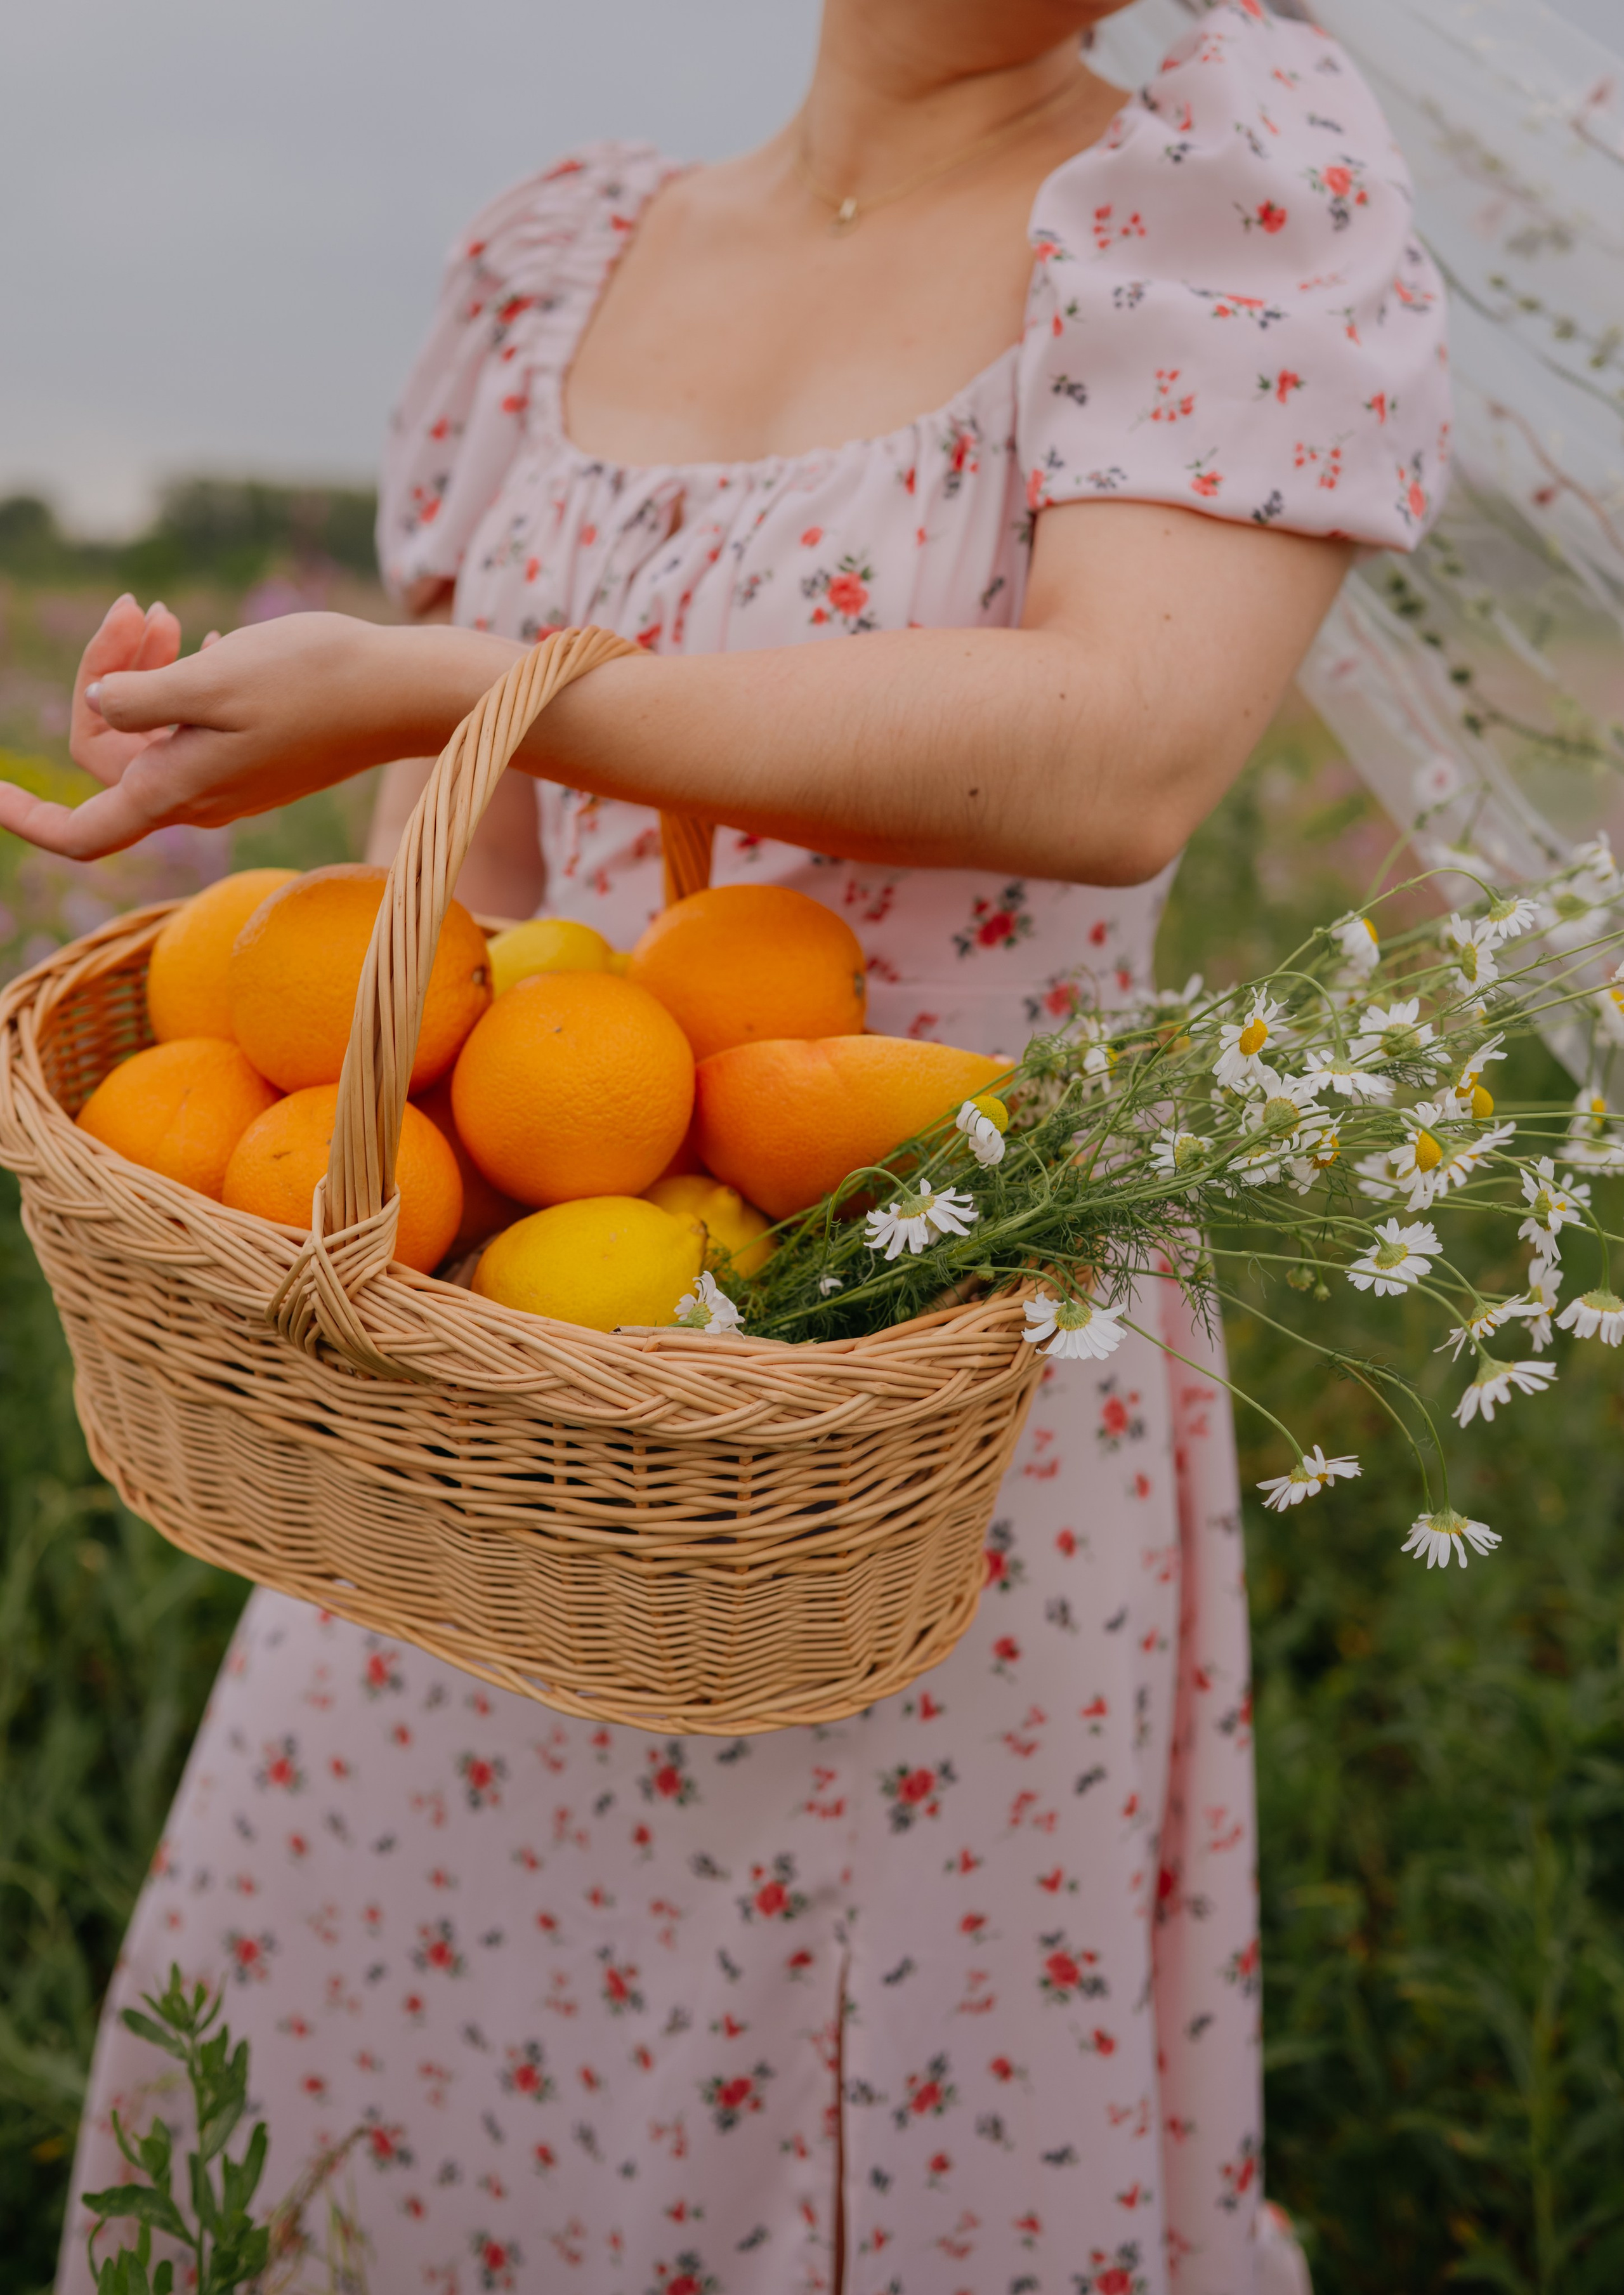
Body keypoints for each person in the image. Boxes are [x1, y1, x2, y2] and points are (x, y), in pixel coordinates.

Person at [29, 1, 1449, 2287]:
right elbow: (464, 896)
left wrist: (458, 677)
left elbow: (1122, 739)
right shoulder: (575, 258)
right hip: (512, 1393)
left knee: (844, 2079)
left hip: (927, 1377)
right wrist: (316, 902)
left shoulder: (1213, 208)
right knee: (404, 2044)